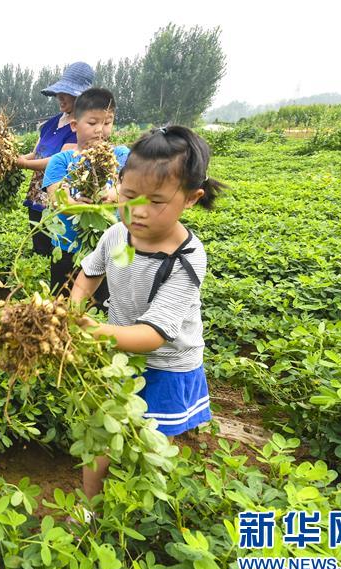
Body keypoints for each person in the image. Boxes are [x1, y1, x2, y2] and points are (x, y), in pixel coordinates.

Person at [69, 125, 225, 519]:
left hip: (167, 364)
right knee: (101, 436)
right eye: (128, 195)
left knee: (156, 444)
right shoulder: (117, 234)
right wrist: (73, 310)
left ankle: (154, 517)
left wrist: (96, 333)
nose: (137, 211)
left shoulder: (188, 258)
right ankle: (90, 509)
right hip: (118, 356)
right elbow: (90, 274)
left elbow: (154, 336)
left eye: (155, 201)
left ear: (191, 198)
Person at [43, 88, 129, 298]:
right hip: (67, 248)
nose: (100, 130)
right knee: (63, 303)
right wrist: (71, 203)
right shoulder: (60, 161)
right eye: (92, 123)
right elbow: (56, 201)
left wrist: (111, 194)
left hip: (113, 246)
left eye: (107, 122)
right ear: (75, 125)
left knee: (107, 302)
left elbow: (128, 187)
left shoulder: (120, 155)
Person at [18, 62, 94, 256]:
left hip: (59, 195)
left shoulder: (81, 126)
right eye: (59, 93)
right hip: (37, 193)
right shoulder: (52, 122)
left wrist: (23, 164)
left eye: (65, 93)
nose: (59, 97)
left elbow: (59, 161)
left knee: (57, 247)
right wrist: (15, 158)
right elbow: (36, 153)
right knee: (39, 246)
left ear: (81, 96)